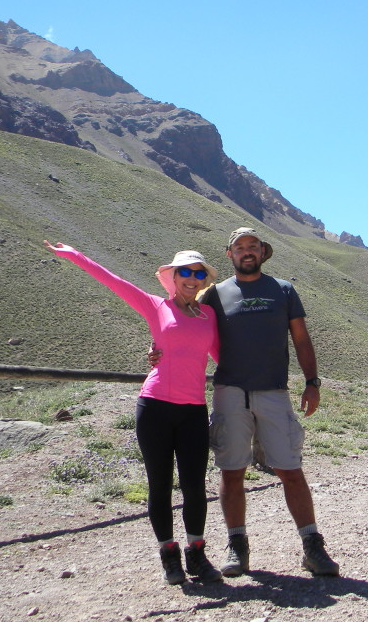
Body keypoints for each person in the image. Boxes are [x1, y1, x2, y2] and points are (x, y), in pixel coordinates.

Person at [153, 227, 339, 577]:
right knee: (232, 470)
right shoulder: (214, 295)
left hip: (274, 391)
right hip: (230, 392)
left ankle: (313, 546)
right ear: (230, 255)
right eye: (240, 247)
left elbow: (301, 338)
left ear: (262, 252)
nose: (247, 251)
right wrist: (158, 352)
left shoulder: (283, 290)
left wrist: (312, 382)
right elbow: (181, 323)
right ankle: (237, 546)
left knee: (290, 470)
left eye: (253, 246)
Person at [45, 241, 223, 586]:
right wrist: (75, 255)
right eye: (185, 271)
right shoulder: (156, 306)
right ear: (172, 277)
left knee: (195, 486)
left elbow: (222, 357)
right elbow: (114, 282)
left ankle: (196, 554)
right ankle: (169, 555)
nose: (192, 278)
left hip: (193, 410)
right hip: (155, 406)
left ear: (203, 281)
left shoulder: (209, 316)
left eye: (198, 273)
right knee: (159, 486)